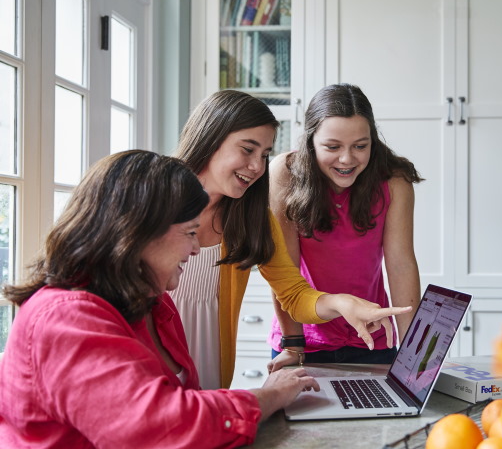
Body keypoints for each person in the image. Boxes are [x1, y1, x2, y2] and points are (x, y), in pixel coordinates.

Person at [0, 150, 321, 448]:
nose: (196, 248)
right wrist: (268, 395)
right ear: (137, 231)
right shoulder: (64, 319)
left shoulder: (155, 304)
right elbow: (162, 425)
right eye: (189, 232)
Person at [171, 90, 410, 389]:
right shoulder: (151, 199)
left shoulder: (250, 219)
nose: (257, 166)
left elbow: (293, 292)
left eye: (264, 155)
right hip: (150, 363)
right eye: (247, 150)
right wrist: (295, 342)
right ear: (210, 137)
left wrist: (341, 303)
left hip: (207, 368)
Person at [267, 83, 424, 372]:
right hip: (304, 339)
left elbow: (401, 266)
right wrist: (293, 344)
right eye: (332, 147)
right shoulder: (285, 173)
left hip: (373, 339)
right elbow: (283, 270)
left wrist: (412, 355)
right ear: (311, 140)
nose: (347, 159)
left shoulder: (394, 180)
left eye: (360, 146)